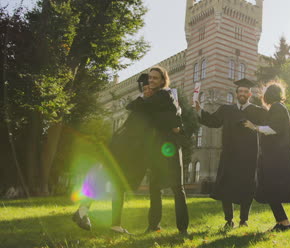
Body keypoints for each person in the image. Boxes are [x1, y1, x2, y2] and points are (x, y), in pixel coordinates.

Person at [72, 74, 154, 234]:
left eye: (150, 88)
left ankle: (102, 219)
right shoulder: (141, 104)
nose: (147, 90)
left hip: (129, 149)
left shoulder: (148, 104)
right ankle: (84, 212)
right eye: (145, 88)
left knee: (118, 186)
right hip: (122, 147)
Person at [194, 78, 267, 228]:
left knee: (247, 187)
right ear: (236, 93)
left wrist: (255, 126)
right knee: (226, 186)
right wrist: (199, 110)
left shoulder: (257, 111)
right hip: (229, 154)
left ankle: (244, 220)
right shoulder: (226, 110)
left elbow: (269, 126)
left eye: (245, 91)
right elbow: (213, 121)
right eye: (240, 91)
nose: (242, 94)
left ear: (250, 94)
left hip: (249, 155)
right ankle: (229, 220)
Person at [130, 66, 189, 235]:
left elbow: (135, 107)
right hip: (157, 147)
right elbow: (133, 107)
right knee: (155, 187)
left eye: (155, 78)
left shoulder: (164, 95)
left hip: (169, 146)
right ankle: (154, 225)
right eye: (150, 78)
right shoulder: (154, 98)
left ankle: (182, 229)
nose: (151, 81)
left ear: (163, 80)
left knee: (177, 187)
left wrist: (145, 100)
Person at [243, 82, 290, 232]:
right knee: (270, 190)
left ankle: (285, 223)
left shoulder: (278, 108)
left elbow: (274, 129)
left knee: (272, 190)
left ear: (269, 95)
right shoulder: (277, 108)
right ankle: (281, 222)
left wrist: (254, 127)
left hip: (277, 157)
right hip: (275, 156)